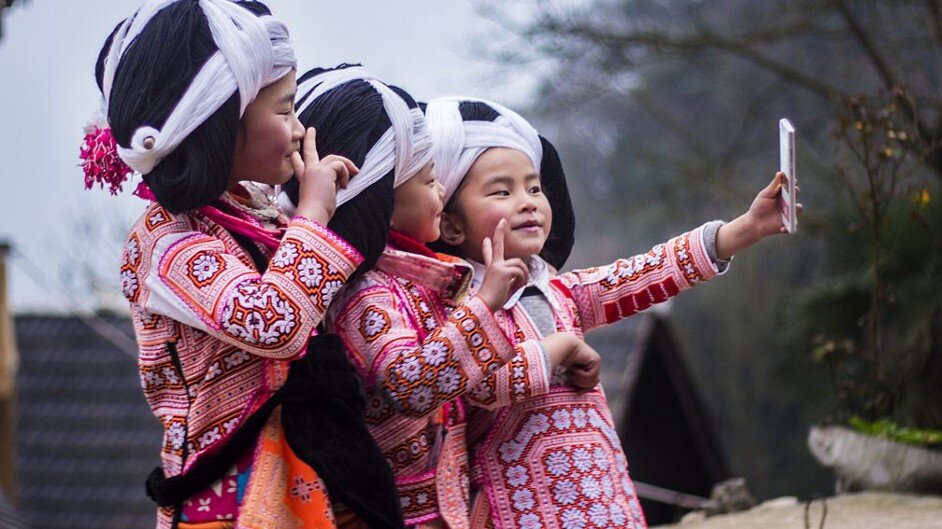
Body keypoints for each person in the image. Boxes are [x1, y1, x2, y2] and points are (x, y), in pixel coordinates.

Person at [85, 2, 400, 527]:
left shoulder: (256, 212)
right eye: (284, 110)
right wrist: (315, 214)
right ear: (217, 121)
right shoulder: (168, 242)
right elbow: (271, 323)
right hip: (230, 494)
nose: (301, 130)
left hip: (311, 472)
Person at [424, 96, 803, 529]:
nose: (528, 201)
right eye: (502, 191)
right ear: (452, 225)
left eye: (534, 187)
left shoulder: (563, 292)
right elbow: (483, 387)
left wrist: (746, 228)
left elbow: (645, 274)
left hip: (605, 498)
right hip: (517, 508)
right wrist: (562, 347)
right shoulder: (456, 310)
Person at [281, 65, 602, 529]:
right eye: (429, 181)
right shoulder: (368, 293)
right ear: (383, 202)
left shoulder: (420, 281)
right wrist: (484, 305)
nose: (440, 193)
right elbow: (412, 386)